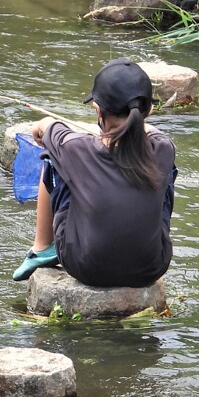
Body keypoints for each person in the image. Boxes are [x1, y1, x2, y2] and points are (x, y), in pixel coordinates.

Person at [12, 58, 177, 288]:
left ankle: (40, 247)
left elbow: (44, 126)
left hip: (85, 268)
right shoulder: (163, 148)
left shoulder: (75, 148)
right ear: (148, 110)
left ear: (98, 110)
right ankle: (145, 246)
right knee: (167, 174)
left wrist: (57, 129)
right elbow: (149, 132)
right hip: (151, 268)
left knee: (51, 158)